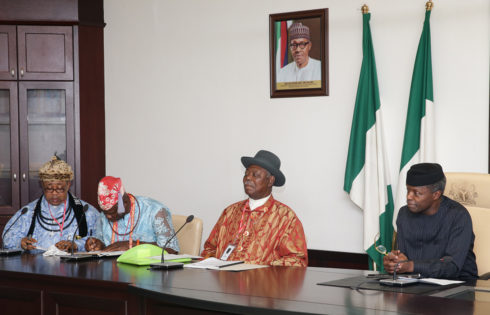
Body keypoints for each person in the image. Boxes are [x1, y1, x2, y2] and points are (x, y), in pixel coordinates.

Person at [201, 150, 308, 267]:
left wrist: (263, 273)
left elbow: (297, 261)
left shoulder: (286, 217)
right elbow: (209, 248)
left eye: (255, 175)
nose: (248, 178)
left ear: (270, 180)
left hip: (261, 284)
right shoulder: (230, 212)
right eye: (246, 174)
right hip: (224, 283)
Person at [384, 163, 478, 280]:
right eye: (408, 190)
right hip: (416, 284)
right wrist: (395, 262)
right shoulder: (404, 214)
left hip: (458, 286)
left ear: (436, 194)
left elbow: (452, 267)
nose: (409, 197)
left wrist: (410, 266)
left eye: (416, 193)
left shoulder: (458, 216)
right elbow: (404, 258)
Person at [3, 156, 98, 252]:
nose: (54, 194)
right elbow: (7, 237)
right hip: (37, 265)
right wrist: (20, 242)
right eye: (49, 189)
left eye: (60, 189)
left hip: (74, 266)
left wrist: (76, 245)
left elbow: (99, 240)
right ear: (42, 185)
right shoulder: (28, 212)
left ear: (68, 185)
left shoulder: (86, 211)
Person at [85, 176, 179, 253]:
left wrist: (134, 245)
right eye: (105, 212)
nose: (108, 217)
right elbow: (102, 245)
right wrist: (98, 245)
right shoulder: (104, 216)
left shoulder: (155, 211)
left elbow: (172, 250)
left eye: (113, 212)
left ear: (125, 202)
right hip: (112, 271)